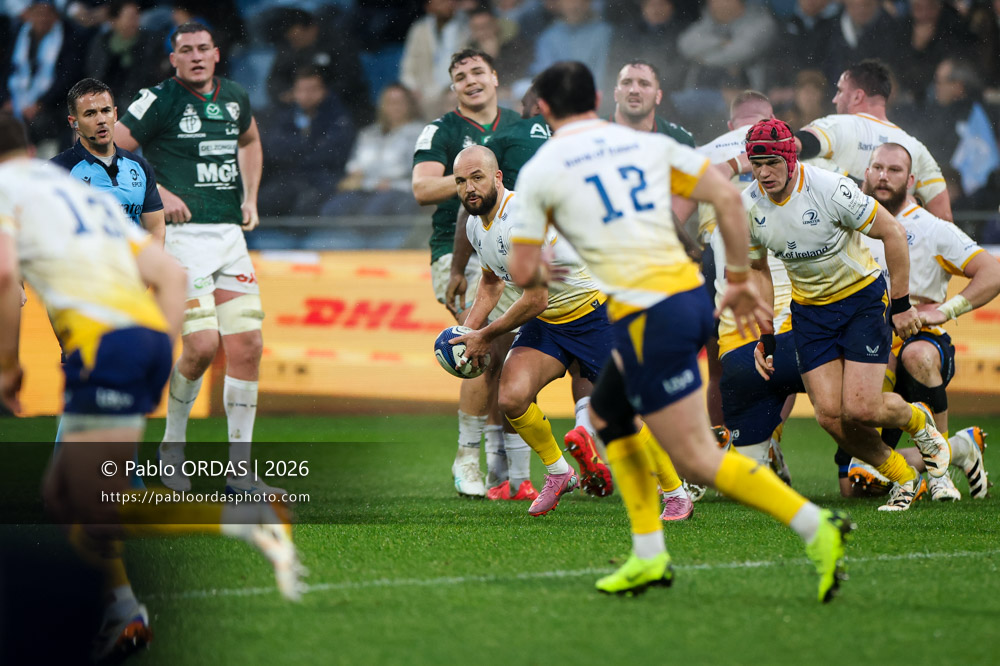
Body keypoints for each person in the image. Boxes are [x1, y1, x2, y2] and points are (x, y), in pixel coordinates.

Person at [509, 61, 852, 602]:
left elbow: (523, 272)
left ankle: (815, 526)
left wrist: (548, 262)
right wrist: (738, 278)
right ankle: (648, 556)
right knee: (607, 417)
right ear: (598, 97)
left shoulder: (543, 168)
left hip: (650, 314)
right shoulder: (643, 145)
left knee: (695, 457)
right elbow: (724, 197)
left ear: (545, 109)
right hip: (684, 297)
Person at [0, 112, 303, 662]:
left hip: (101, 348)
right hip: (138, 339)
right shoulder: (84, 193)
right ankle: (124, 614)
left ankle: (238, 522)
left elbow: (2, 276)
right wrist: (155, 352)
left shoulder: (10, 189)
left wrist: (7, 367)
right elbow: (170, 275)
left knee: (86, 498)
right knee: (65, 495)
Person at [744, 118, 953, 512]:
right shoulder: (749, 206)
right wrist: (766, 333)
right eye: (756, 164)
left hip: (860, 301)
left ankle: (921, 425)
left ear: (790, 158)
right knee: (831, 419)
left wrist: (903, 303)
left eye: (771, 162)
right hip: (809, 311)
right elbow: (757, 270)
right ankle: (904, 477)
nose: (763, 173)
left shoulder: (829, 188)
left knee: (861, 408)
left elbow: (891, 232)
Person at [114, 22, 273, 494]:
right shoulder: (158, 99)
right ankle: (172, 449)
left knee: (248, 348)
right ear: (174, 59)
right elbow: (113, 150)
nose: (197, 56)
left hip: (228, 236)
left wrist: (251, 197)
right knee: (202, 347)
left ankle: (240, 472)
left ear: (217, 54)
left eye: (204, 48)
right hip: (180, 240)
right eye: (187, 50)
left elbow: (249, 141)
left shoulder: (235, 96)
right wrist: (157, 191)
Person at [449, 145, 614, 511]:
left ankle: (675, 490)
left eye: (477, 178)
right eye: (461, 181)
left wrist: (484, 336)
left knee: (631, 411)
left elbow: (535, 298)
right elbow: (491, 281)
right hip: (551, 321)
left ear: (497, 178)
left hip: (595, 311)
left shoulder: (521, 217)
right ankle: (558, 472)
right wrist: (467, 331)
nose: (469, 188)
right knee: (512, 397)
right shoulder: (476, 224)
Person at [842, 143, 995, 500]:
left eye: (894, 170)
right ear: (866, 172)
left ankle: (939, 471)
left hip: (919, 339)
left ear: (911, 179)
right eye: (877, 167)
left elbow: (992, 272)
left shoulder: (931, 228)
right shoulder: (850, 221)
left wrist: (945, 310)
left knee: (918, 356)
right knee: (855, 484)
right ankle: (958, 447)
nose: (883, 176)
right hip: (868, 341)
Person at [412, 48, 521, 497]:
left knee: (507, 353)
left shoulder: (524, 125)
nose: (471, 80)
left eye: (478, 71)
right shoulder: (440, 130)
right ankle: (467, 459)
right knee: (479, 348)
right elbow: (421, 188)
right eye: (460, 75)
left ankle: (498, 459)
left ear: (495, 77)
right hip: (457, 251)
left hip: (516, 241)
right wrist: (476, 175)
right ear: (453, 87)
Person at [794, 59, 953, 221]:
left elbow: (797, 145)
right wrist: (913, 204)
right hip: (891, 242)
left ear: (857, 97)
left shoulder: (836, 125)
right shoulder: (915, 147)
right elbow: (943, 216)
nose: (835, 99)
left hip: (837, 240)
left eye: (840, 91)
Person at [53, 78, 165, 245]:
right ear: (74, 122)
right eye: (90, 114)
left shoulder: (140, 167)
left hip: (130, 268)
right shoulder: (56, 171)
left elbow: (156, 228)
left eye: (106, 111)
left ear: (115, 114)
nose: (101, 120)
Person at [258, 66, 355, 216]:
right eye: (301, 90)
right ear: (294, 93)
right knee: (263, 200)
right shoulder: (284, 116)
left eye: (312, 89)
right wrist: (309, 144)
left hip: (323, 180)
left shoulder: (339, 117)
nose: (306, 95)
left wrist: (297, 149)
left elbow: (331, 153)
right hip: (288, 178)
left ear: (324, 91)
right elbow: (273, 148)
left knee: (306, 206)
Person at [324, 83, 425, 216]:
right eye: (390, 102)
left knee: (372, 213)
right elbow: (355, 164)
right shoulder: (368, 133)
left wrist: (388, 180)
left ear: (409, 105)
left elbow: (416, 169)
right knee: (333, 208)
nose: (395, 107)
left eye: (399, 102)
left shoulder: (421, 132)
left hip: (398, 188)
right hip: (364, 187)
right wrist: (357, 176)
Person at [608, 60, 695, 146]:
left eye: (644, 84)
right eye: (626, 83)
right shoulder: (595, 132)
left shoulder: (678, 139)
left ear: (658, 96)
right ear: (615, 94)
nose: (634, 90)